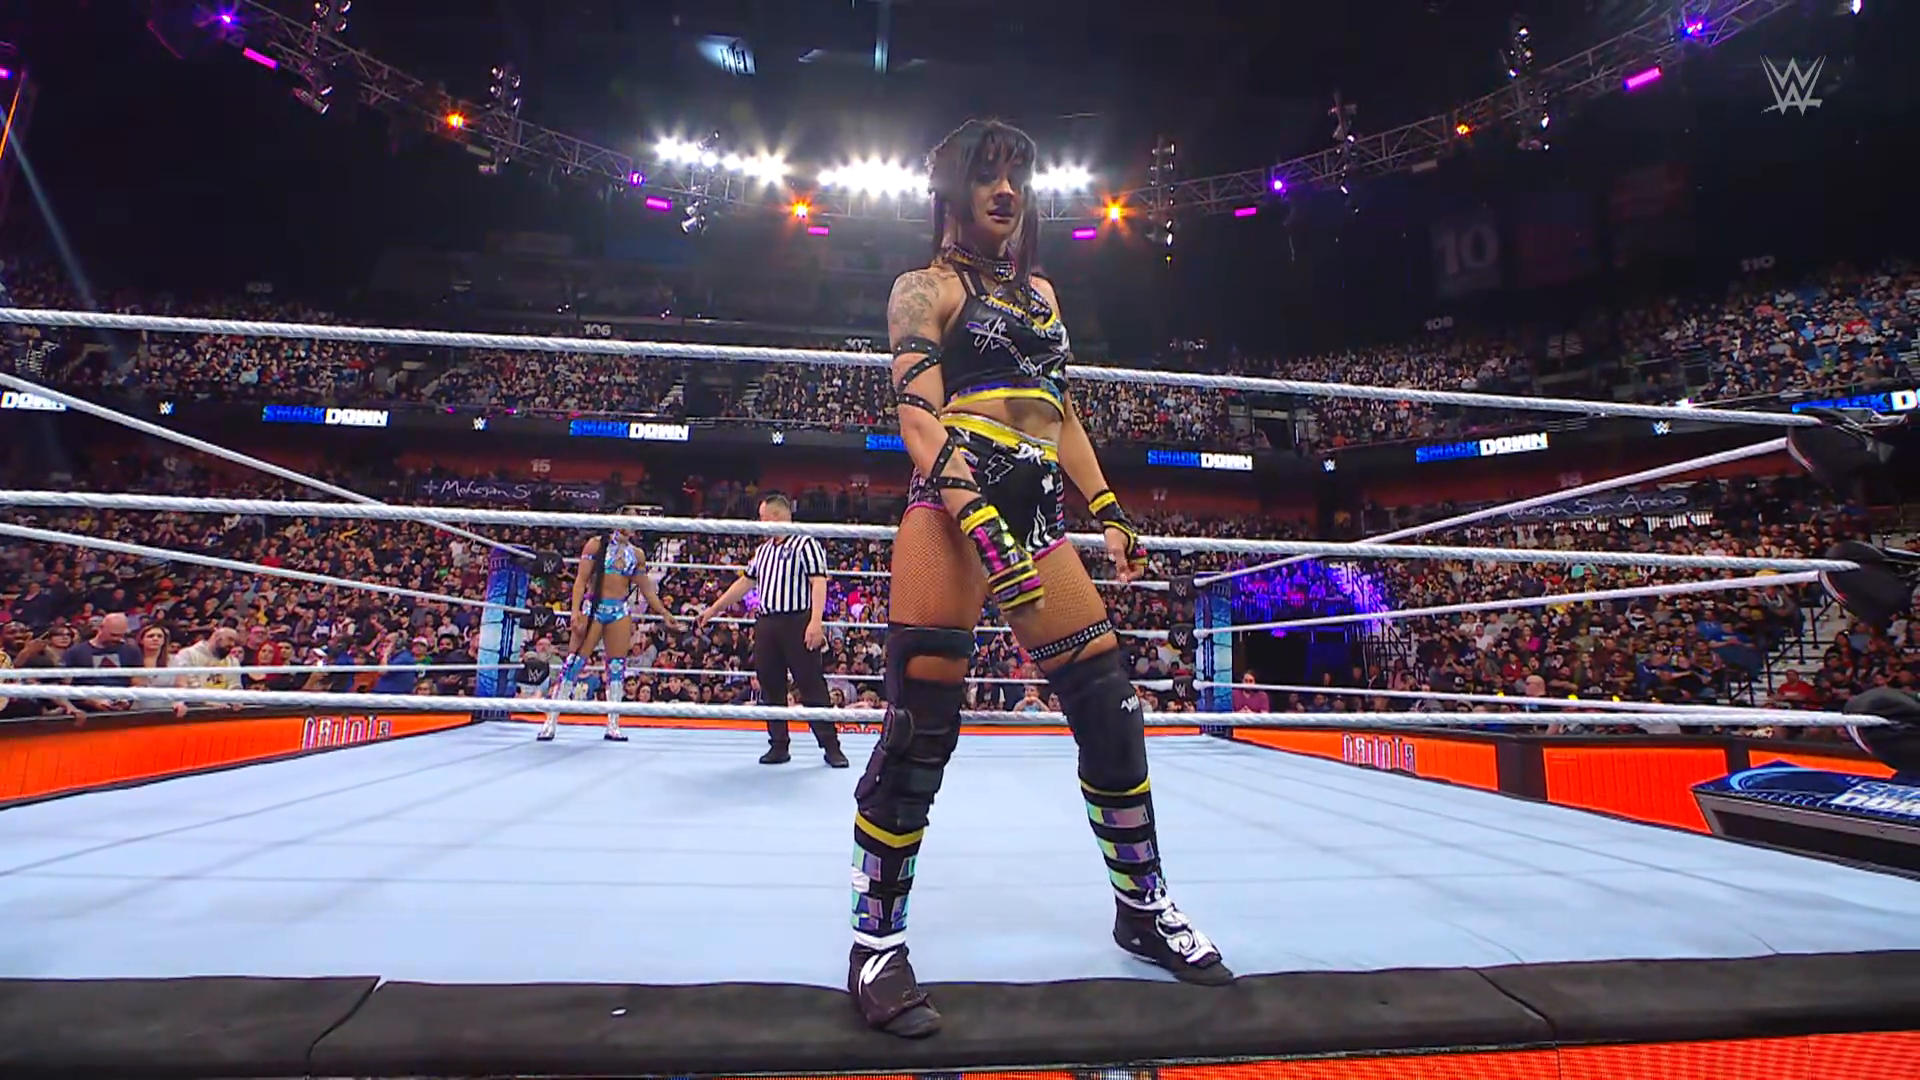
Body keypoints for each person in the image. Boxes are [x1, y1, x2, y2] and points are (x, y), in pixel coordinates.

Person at [846, 118, 1230, 1039]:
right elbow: (916, 417)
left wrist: (1109, 508)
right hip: (952, 504)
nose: (1007, 189)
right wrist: (977, 517)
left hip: (1039, 510)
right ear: (953, 189)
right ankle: (875, 945)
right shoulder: (924, 289)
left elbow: (1062, 415)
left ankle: (1142, 908)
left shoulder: (1045, 295)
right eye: (988, 173)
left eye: (1017, 174)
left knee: (1111, 706)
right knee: (918, 728)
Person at [695, 493, 848, 767]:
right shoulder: (764, 550)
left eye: (762, 517)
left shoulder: (806, 543)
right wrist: (713, 609)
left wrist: (816, 622)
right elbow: (744, 584)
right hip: (767, 623)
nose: (760, 522)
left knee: (811, 684)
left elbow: (819, 582)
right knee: (770, 684)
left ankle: (831, 747)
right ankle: (778, 745)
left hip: (797, 621)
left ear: (775, 516)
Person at [539, 523, 682, 742]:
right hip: (594, 607)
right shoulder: (596, 545)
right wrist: (575, 611)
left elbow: (646, 589)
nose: (630, 526)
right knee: (574, 663)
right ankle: (551, 721)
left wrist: (664, 613)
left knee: (616, 667)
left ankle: (613, 724)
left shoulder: (637, 554)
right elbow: (581, 580)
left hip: (619, 610)